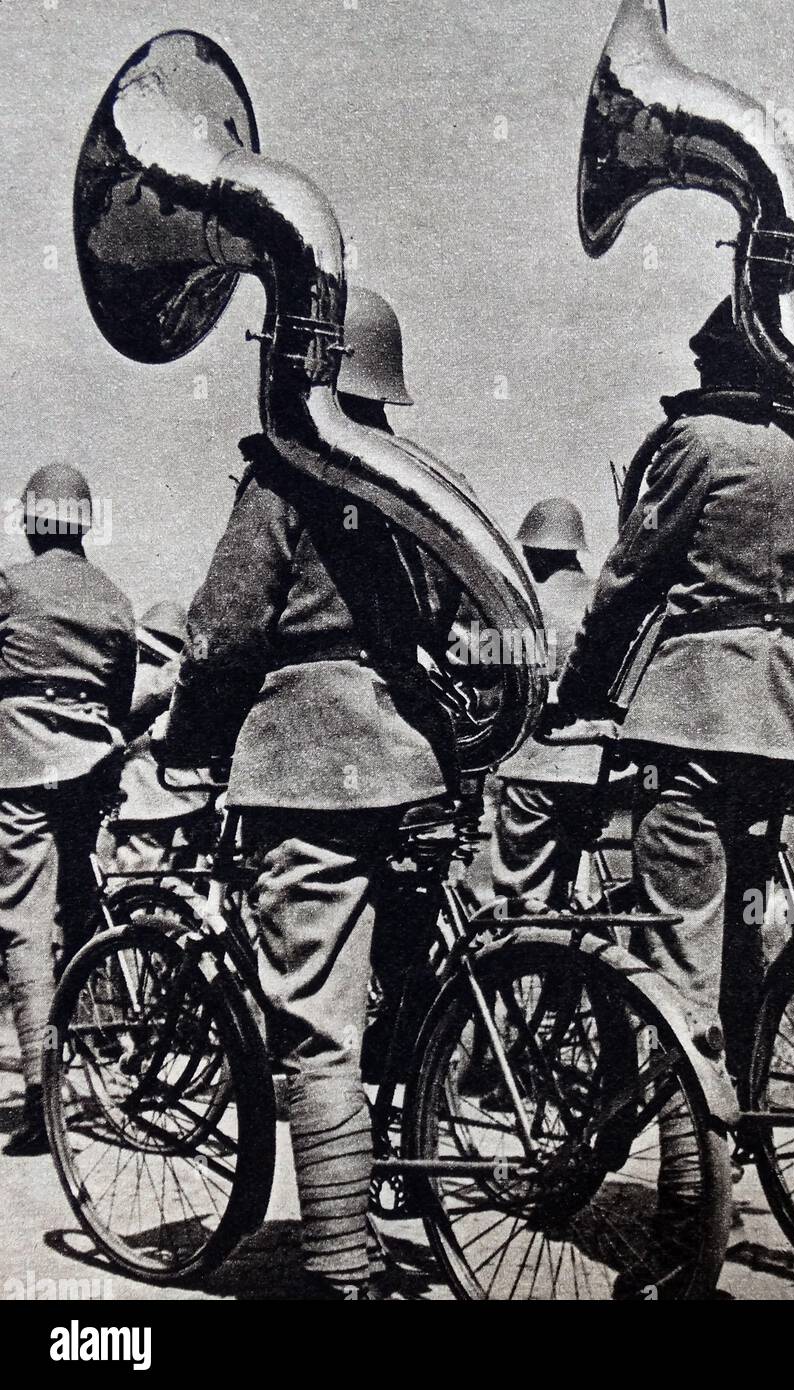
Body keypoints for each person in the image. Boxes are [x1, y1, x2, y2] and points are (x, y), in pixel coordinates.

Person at [162, 288, 455, 1298]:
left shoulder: (283, 477)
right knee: (400, 996)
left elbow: (223, 631)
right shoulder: (417, 485)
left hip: (309, 765)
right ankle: (405, 1176)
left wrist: (186, 745)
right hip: (413, 763)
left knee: (318, 1021)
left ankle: (339, 1261)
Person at [552, 297, 794, 1076]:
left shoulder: (700, 442)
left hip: (704, 714)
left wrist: (579, 693)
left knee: (675, 953)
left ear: (717, 367)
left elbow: (625, 580)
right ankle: (744, 1122)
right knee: (738, 930)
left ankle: (691, 1189)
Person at [0, 463, 134, 1155]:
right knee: (76, 909)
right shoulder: (112, 597)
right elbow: (121, 695)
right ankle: (91, 1060)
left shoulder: (10, 585)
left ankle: (37, 1095)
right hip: (90, 762)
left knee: (22, 921)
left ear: (29, 521)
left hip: (20, 760)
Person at [490, 499, 606, 909]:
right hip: (598, 771)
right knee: (575, 898)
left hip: (535, 768)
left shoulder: (523, 607)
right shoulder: (601, 599)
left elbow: (477, 667)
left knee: (520, 898)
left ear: (534, 550)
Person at [97, 600, 213, 878]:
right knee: (170, 870)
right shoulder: (186, 683)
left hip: (146, 795)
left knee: (134, 872)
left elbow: (121, 726)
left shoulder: (147, 680)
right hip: (187, 792)